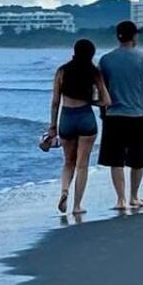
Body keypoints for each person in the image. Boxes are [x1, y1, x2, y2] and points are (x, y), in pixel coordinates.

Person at [98, 20, 143, 212]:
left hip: (113, 117)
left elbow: (101, 92)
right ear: (135, 37)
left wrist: (102, 113)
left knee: (115, 160)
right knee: (138, 159)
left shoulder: (105, 60)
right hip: (137, 116)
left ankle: (120, 199)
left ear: (118, 36)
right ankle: (134, 196)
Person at [47, 38, 109, 216]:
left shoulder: (62, 71)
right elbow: (107, 100)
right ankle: (77, 206)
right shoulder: (94, 72)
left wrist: (52, 127)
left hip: (66, 118)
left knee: (68, 162)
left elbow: (55, 102)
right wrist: (91, 101)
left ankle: (64, 191)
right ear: (92, 54)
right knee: (82, 165)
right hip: (85, 117)